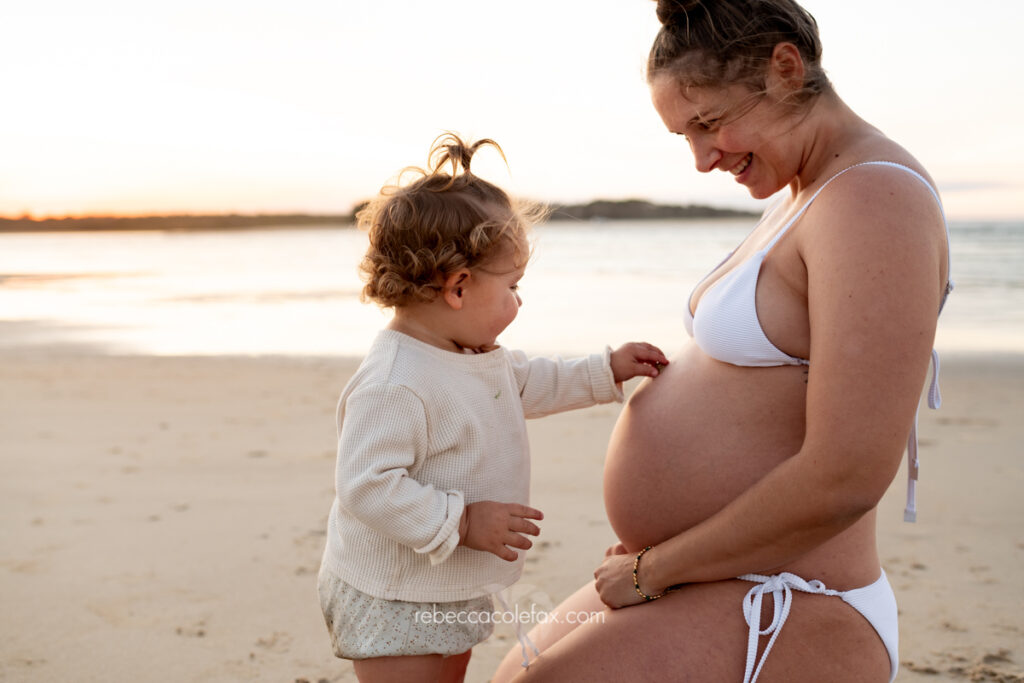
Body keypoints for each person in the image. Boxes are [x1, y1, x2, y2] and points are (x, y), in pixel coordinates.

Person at [492, 1, 952, 681]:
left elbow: (848, 473)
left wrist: (658, 568)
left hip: (796, 602)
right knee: (514, 672)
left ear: (785, 69)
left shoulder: (875, 200)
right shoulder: (805, 192)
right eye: (685, 136)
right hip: (721, 576)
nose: (703, 159)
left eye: (708, 123)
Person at [316, 133, 669, 683]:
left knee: (449, 670)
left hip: (448, 583)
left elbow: (529, 382)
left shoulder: (472, 356)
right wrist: (462, 520)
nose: (518, 302)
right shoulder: (395, 381)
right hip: (395, 595)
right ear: (457, 287)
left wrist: (606, 370)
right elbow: (365, 485)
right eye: (512, 286)